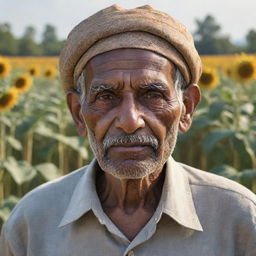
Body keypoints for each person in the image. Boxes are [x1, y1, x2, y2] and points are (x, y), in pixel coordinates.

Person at [0, 5, 255, 256]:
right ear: (78, 112)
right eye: (106, 96)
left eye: (153, 95)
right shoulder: (32, 223)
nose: (130, 121)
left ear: (187, 108)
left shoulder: (239, 219)